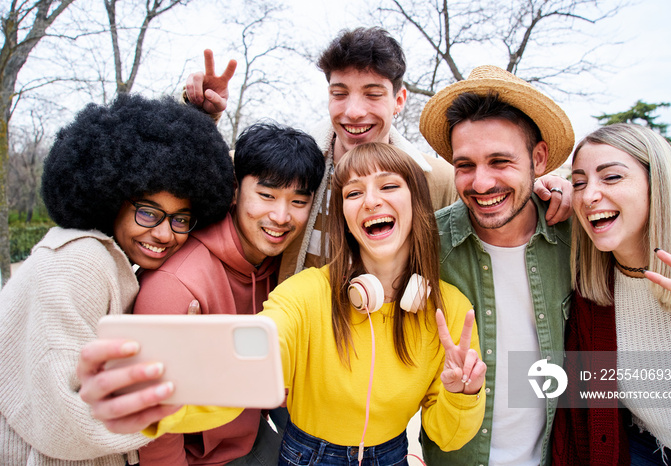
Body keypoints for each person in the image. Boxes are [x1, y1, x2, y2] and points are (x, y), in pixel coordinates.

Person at [77, 142, 488, 465]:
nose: (370, 201)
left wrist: (461, 395)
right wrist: (157, 406)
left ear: (417, 203)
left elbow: (447, 436)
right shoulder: (302, 295)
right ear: (344, 214)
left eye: (389, 186)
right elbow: (244, 370)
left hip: (394, 455)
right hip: (307, 457)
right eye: (354, 192)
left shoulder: (449, 310)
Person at [183, 29, 573, 282]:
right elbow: (197, 178)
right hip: (292, 352)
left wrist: (549, 187)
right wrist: (198, 116)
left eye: (372, 94)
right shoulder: (290, 164)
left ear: (399, 100)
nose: (353, 111)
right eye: (340, 93)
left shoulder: (433, 177)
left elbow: (492, 198)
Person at [0, 94, 234, 465]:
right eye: (148, 212)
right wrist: (183, 380)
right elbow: (66, 419)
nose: (164, 234)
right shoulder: (80, 262)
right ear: (112, 198)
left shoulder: (114, 260)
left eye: (180, 219)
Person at [133, 121, 325, 466]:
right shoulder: (176, 284)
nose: (281, 216)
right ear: (235, 190)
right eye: (266, 196)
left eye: (298, 201)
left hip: (251, 437)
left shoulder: (281, 268)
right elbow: (153, 427)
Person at [417, 65, 575, 466]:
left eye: (500, 161)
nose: (481, 183)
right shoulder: (425, 245)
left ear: (538, 158)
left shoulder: (576, 239)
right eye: (465, 165)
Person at [551, 123, 671, 465]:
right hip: (643, 445)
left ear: (656, 182)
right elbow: (584, 407)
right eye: (578, 183)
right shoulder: (592, 284)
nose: (588, 196)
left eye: (612, 177)